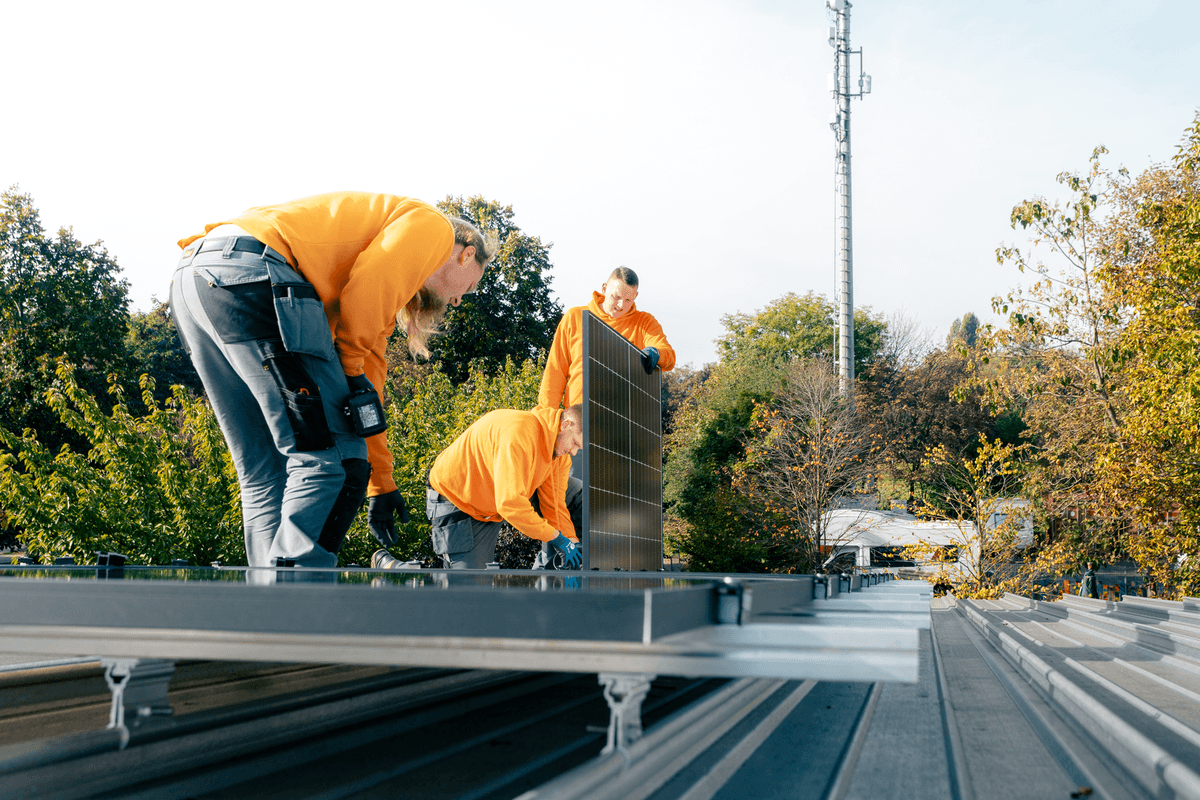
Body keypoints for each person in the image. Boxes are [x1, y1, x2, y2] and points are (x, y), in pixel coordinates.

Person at [169, 192, 494, 568]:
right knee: (336, 462)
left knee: (267, 471)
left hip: (198, 282)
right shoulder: (432, 227)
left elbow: (367, 387)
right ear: (466, 254)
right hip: (256, 275)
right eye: (468, 289)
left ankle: (264, 609)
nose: (458, 301)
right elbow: (368, 296)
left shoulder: (372, 297)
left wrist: (381, 482)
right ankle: (295, 608)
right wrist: (352, 372)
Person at [375, 405, 584, 570]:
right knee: (469, 596)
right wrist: (556, 537)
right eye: (574, 443)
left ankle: (549, 581)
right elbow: (510, 504)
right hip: (458, 501)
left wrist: (570, 541)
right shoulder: (519, 435)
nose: (574, 452)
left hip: (492, 499)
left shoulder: (558, 455)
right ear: (566, 424)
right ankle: (396, 571)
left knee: (577, 494)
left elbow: (554, 504)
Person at [537, 267, 676, 412]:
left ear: (636, 296)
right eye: (616, 297)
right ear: (604, 288)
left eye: (628, 299)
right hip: (578, 418)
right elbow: (555, 371)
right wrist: (546, 414)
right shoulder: (575, 317)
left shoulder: (645, 323)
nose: (621, 305)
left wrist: (656, 353)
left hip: (623, 418)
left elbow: (668, 356)